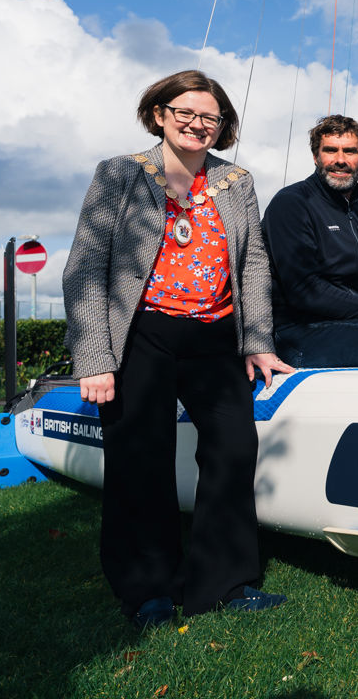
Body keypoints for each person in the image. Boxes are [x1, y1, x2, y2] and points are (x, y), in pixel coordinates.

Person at [62, 69, 293, 629]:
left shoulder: (237, 182)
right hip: (142, 334)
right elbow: (87, 264)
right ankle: (149, 591)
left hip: (215, 337)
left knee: (233, 452)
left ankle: (227, 581)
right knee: (138, 459)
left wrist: (257, 341)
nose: (196, 124)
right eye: (184, 112)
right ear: (160, 114)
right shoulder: (119, 175)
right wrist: (95, 356)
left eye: (209, 117)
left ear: (222, 126)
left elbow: (254, 263)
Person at [262, 115, 358, 368]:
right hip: (296, 333)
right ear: (316, 156)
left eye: (349, 151)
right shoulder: (292, 203)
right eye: (330, 151)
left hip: (346, 324)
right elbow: (304, 290)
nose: (340, 160)